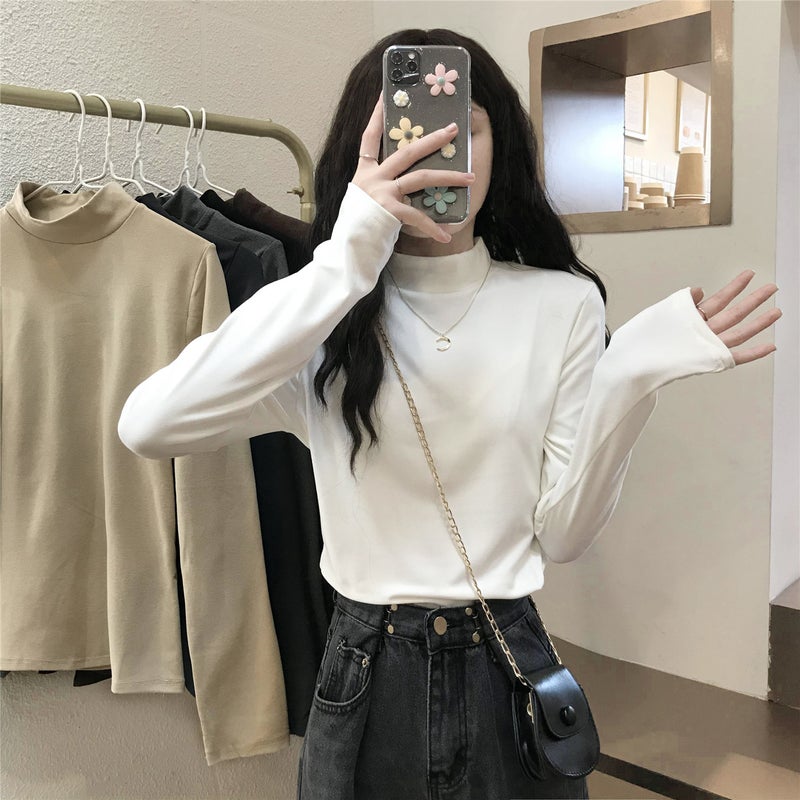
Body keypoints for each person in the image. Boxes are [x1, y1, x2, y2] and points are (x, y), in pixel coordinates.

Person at [118, 28, 781, 800]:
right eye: (412, 132)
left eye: (467, 129)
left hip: (507, 657)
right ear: (364, 153)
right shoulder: (319, 316)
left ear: (502, 149)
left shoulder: (562, 305)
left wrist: (631, 373)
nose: (440, 151)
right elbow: (150, 424)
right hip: (366, 671)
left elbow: (563, 536)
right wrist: (346, 260)